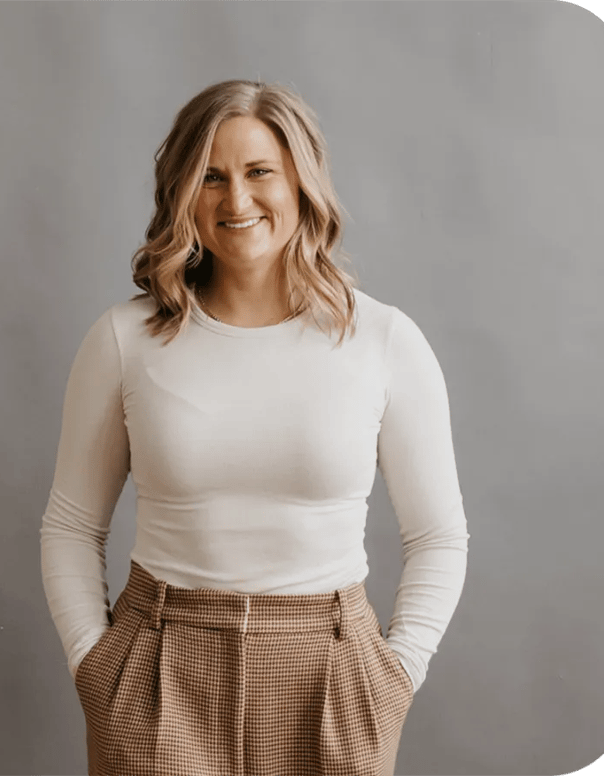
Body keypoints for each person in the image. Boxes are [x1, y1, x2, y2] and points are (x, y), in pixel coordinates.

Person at [40, 78, 469, 776]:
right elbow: (71, 524)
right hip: (159, 670)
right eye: (211, 177)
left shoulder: (384, 340)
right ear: (183, 192)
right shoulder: (124, 340)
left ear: (302, 180)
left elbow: (439, 535)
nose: (236, 200)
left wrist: (397, 676)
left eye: (259, 171)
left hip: (331, 673)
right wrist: (96, 670)